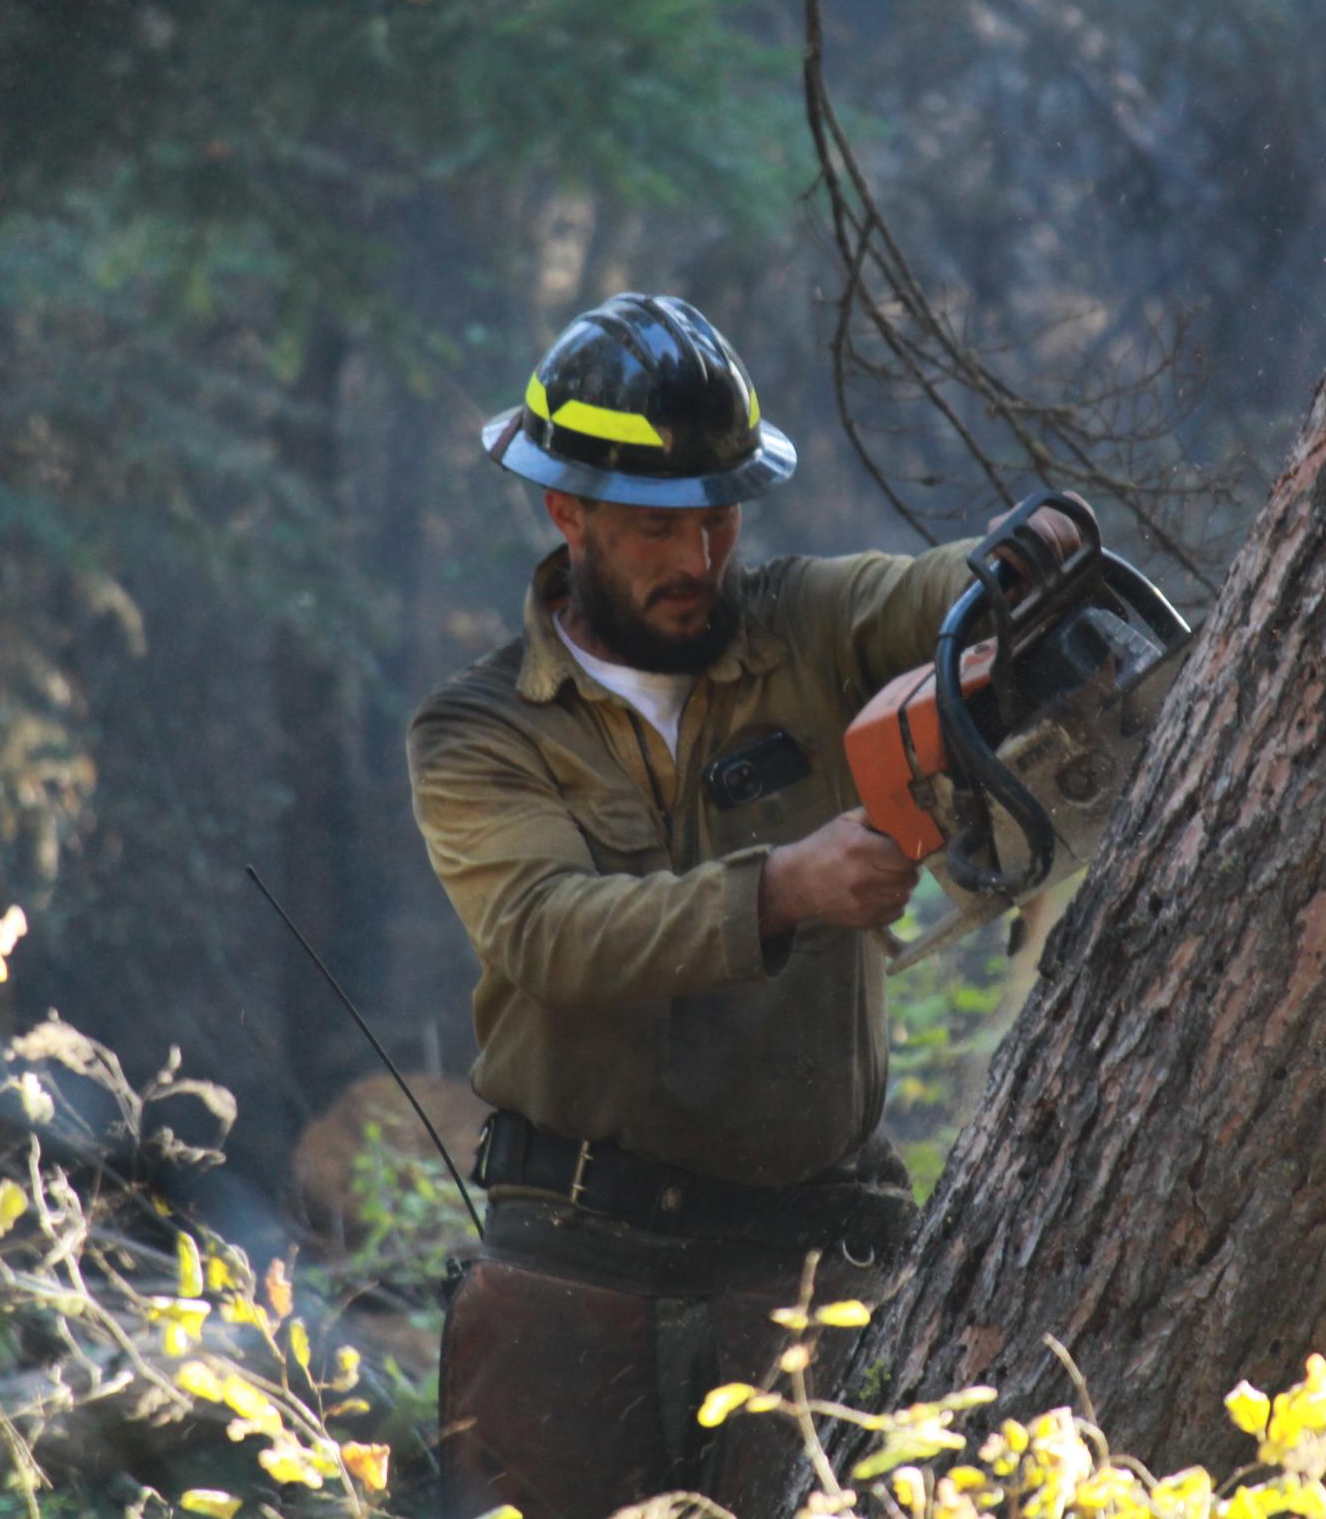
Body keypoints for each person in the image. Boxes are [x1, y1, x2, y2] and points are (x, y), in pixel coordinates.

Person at [407, 293, 1081, 1519]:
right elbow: (547, 931)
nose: (698, 559)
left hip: (810, 1261)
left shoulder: (808, 625)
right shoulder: (481, 730)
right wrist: (783, 886)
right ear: (567, 513)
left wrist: (1018, 563)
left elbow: (931, 596)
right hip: (574, 1264)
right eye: (657, 528)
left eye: (717, 518)